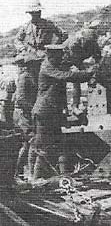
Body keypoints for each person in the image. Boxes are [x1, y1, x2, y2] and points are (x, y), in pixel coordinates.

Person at [31, 44, 95, 180]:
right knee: (43, 149)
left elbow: (62, 90)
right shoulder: (47, 67)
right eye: (59, 56)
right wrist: (88, 74)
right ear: (51, 55)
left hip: (52, 113)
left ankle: (64, 178)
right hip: (44, 113)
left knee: (59, 146)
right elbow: (66, 76)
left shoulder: (54, 65)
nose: (61, 58)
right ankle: (35, 181)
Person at [12, 55, 38, 179]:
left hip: (24, 113)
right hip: (23, 114)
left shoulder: (27, 76)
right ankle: (30, 174)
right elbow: (21, 99)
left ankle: (19, 173)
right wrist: (33, 109)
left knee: (27, 144)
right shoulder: (25, 77)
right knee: (31, 141)